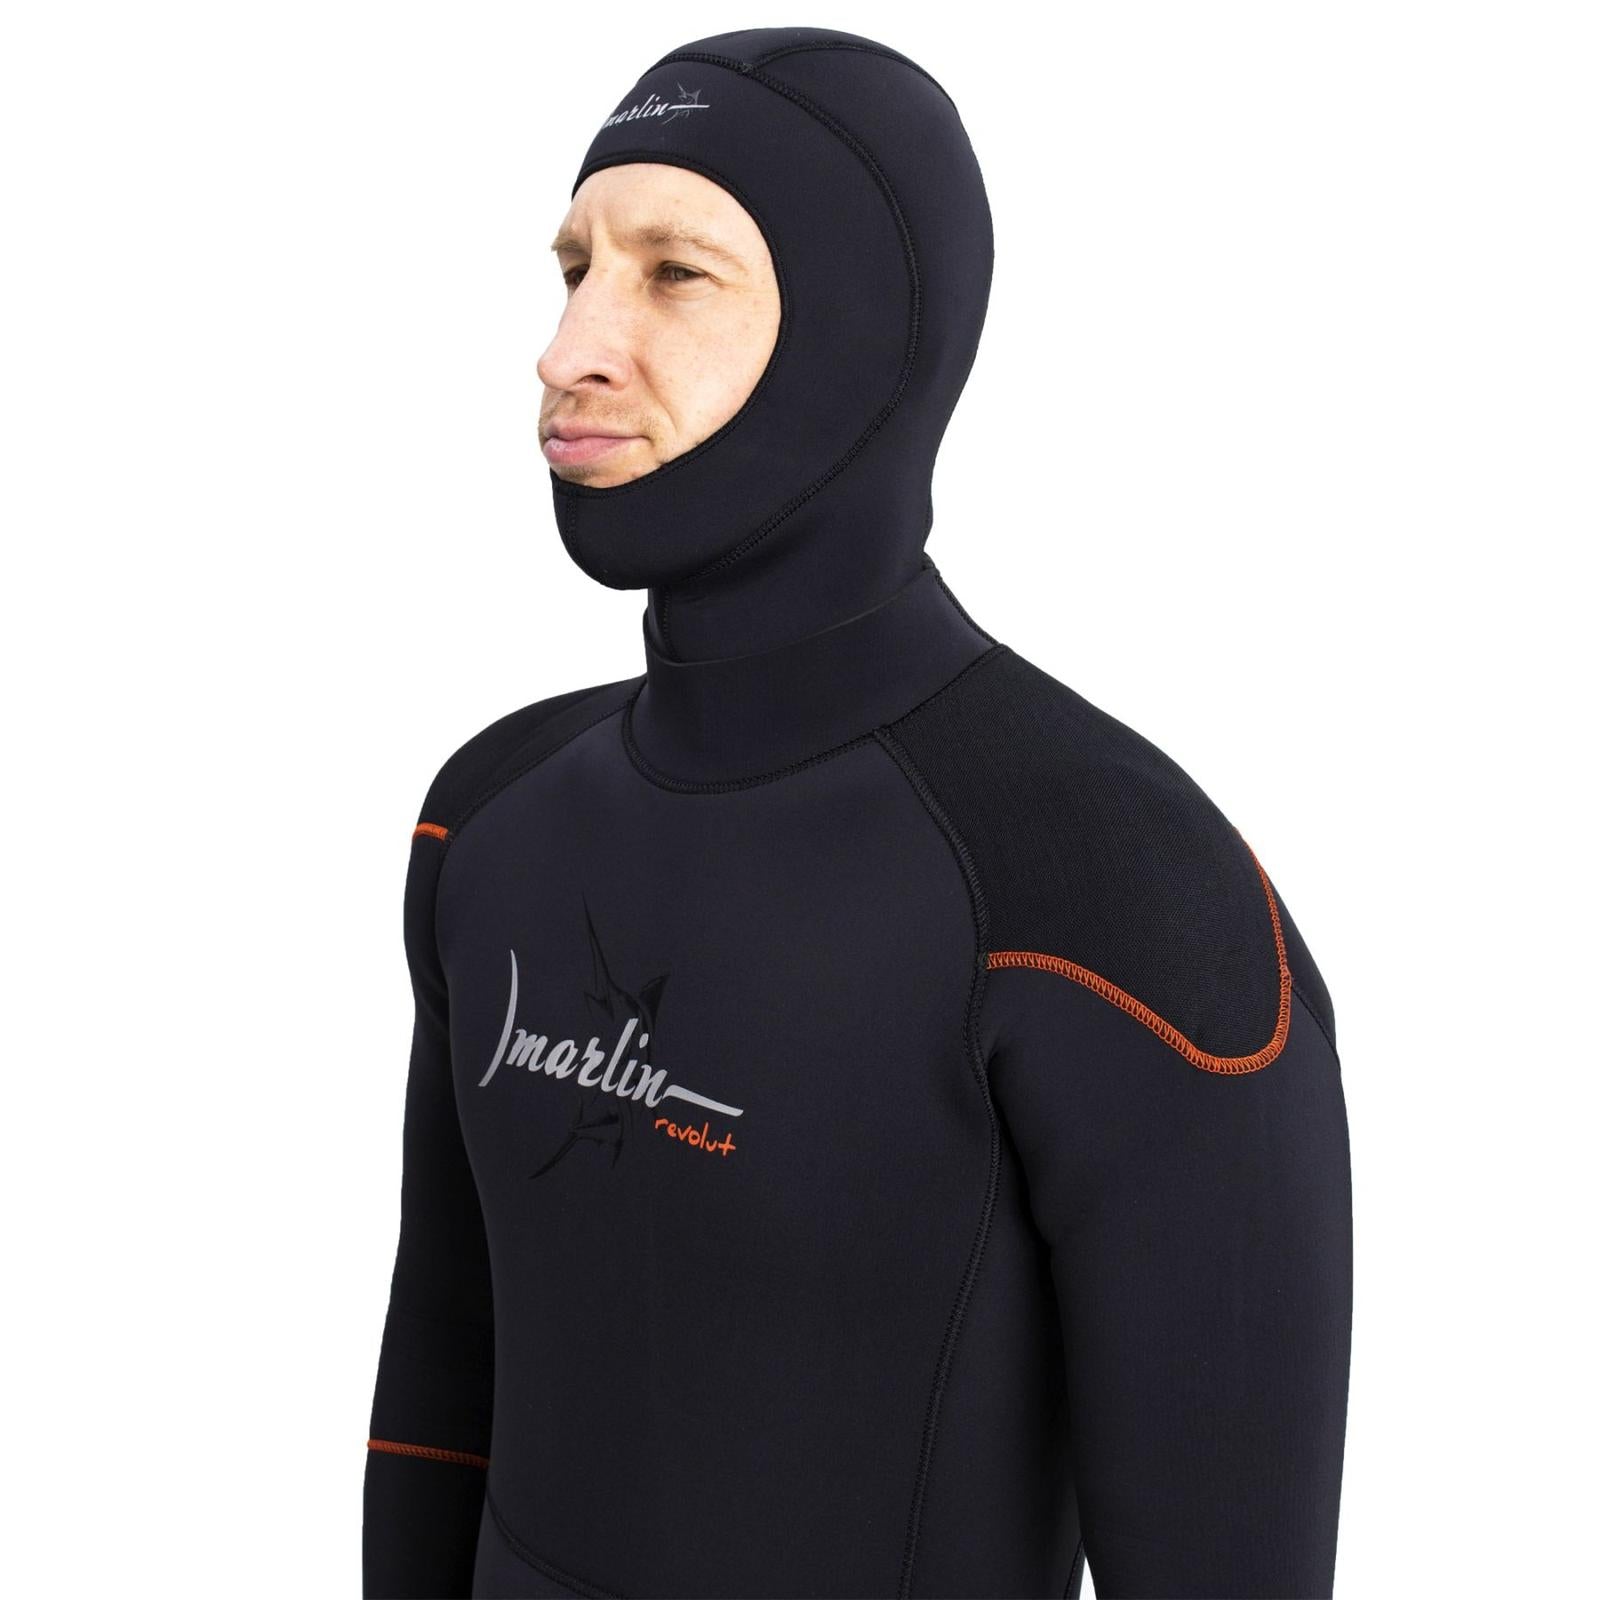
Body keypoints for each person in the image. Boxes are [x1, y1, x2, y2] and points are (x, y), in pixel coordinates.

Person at [362, 25, 1353, 1600]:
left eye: (674, 275)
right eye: (573, 270)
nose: (567, 350)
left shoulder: (1106, 892)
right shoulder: (491, 821)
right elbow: (442, 1389)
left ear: (862, 337)